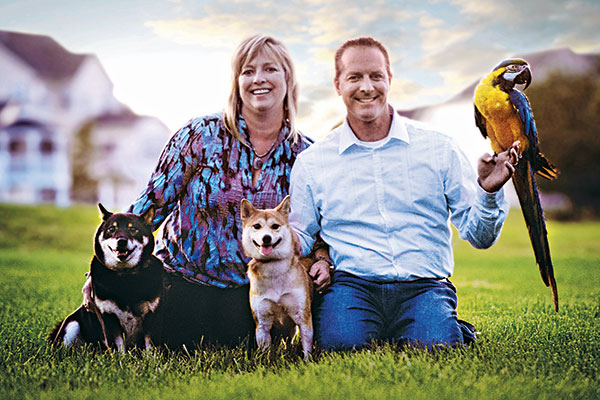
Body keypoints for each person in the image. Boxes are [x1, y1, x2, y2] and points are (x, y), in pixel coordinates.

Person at [83, 34, 331, 349]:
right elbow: (152, 204)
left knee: (239, 345)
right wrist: (106, 272)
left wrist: (322, 257)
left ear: (288, 79)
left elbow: (319, 224)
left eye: (270, 69)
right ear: (236, 81)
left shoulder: (306, 154)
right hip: (184, 279)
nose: (258, 79)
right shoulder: (199, 135)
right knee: (159, 343)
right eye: (247, 70)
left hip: (257, 289)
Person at [289, 37, 520, 351]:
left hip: (423, 286)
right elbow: (302, 233)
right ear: (338, 84)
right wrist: (268, 238)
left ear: (389, 79)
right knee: (340, 347)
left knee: (435, 349)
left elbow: (480, 236)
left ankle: (442, 324)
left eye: (376, 76)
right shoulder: (314, 162)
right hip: (352, 286)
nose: (366, 87)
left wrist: (487, 192)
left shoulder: (439, 147)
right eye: (354, 77)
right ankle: (419, 325)